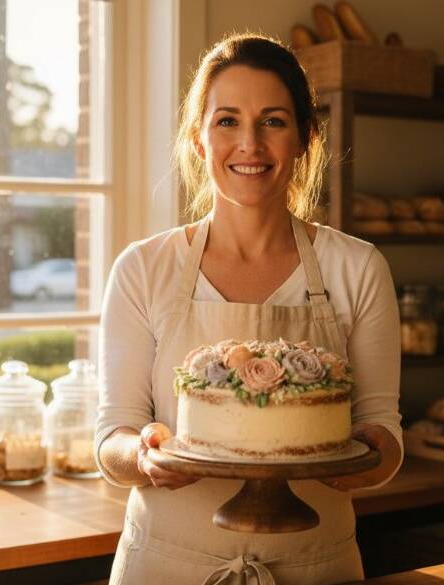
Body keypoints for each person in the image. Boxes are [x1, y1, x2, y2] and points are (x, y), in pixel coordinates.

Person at [95, 33, 403, 584]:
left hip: (317, 566)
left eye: (274, 121)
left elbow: (384, 433)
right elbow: (113, 437)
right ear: (198, 140)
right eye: (227, 121)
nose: (250, 145)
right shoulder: (143, 268)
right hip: (167, 565)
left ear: (306, 137)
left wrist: (360, 459)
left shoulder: (357, 267)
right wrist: (142, 456)